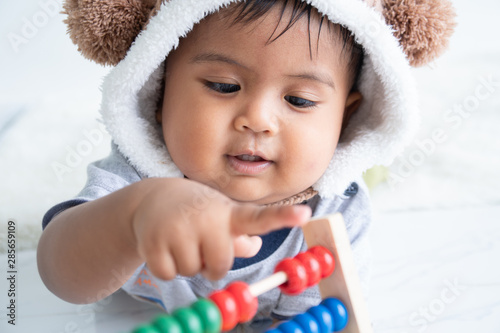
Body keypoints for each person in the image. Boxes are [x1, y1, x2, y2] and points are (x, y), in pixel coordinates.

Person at [37, 0, 455, 330]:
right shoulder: (136, 180)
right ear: (160, 92)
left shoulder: (339, 212)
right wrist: (134, 214)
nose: (257, 118)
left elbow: (328, 315)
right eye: (224, 86)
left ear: (344, 120)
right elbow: (63, 279)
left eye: (300, 101)